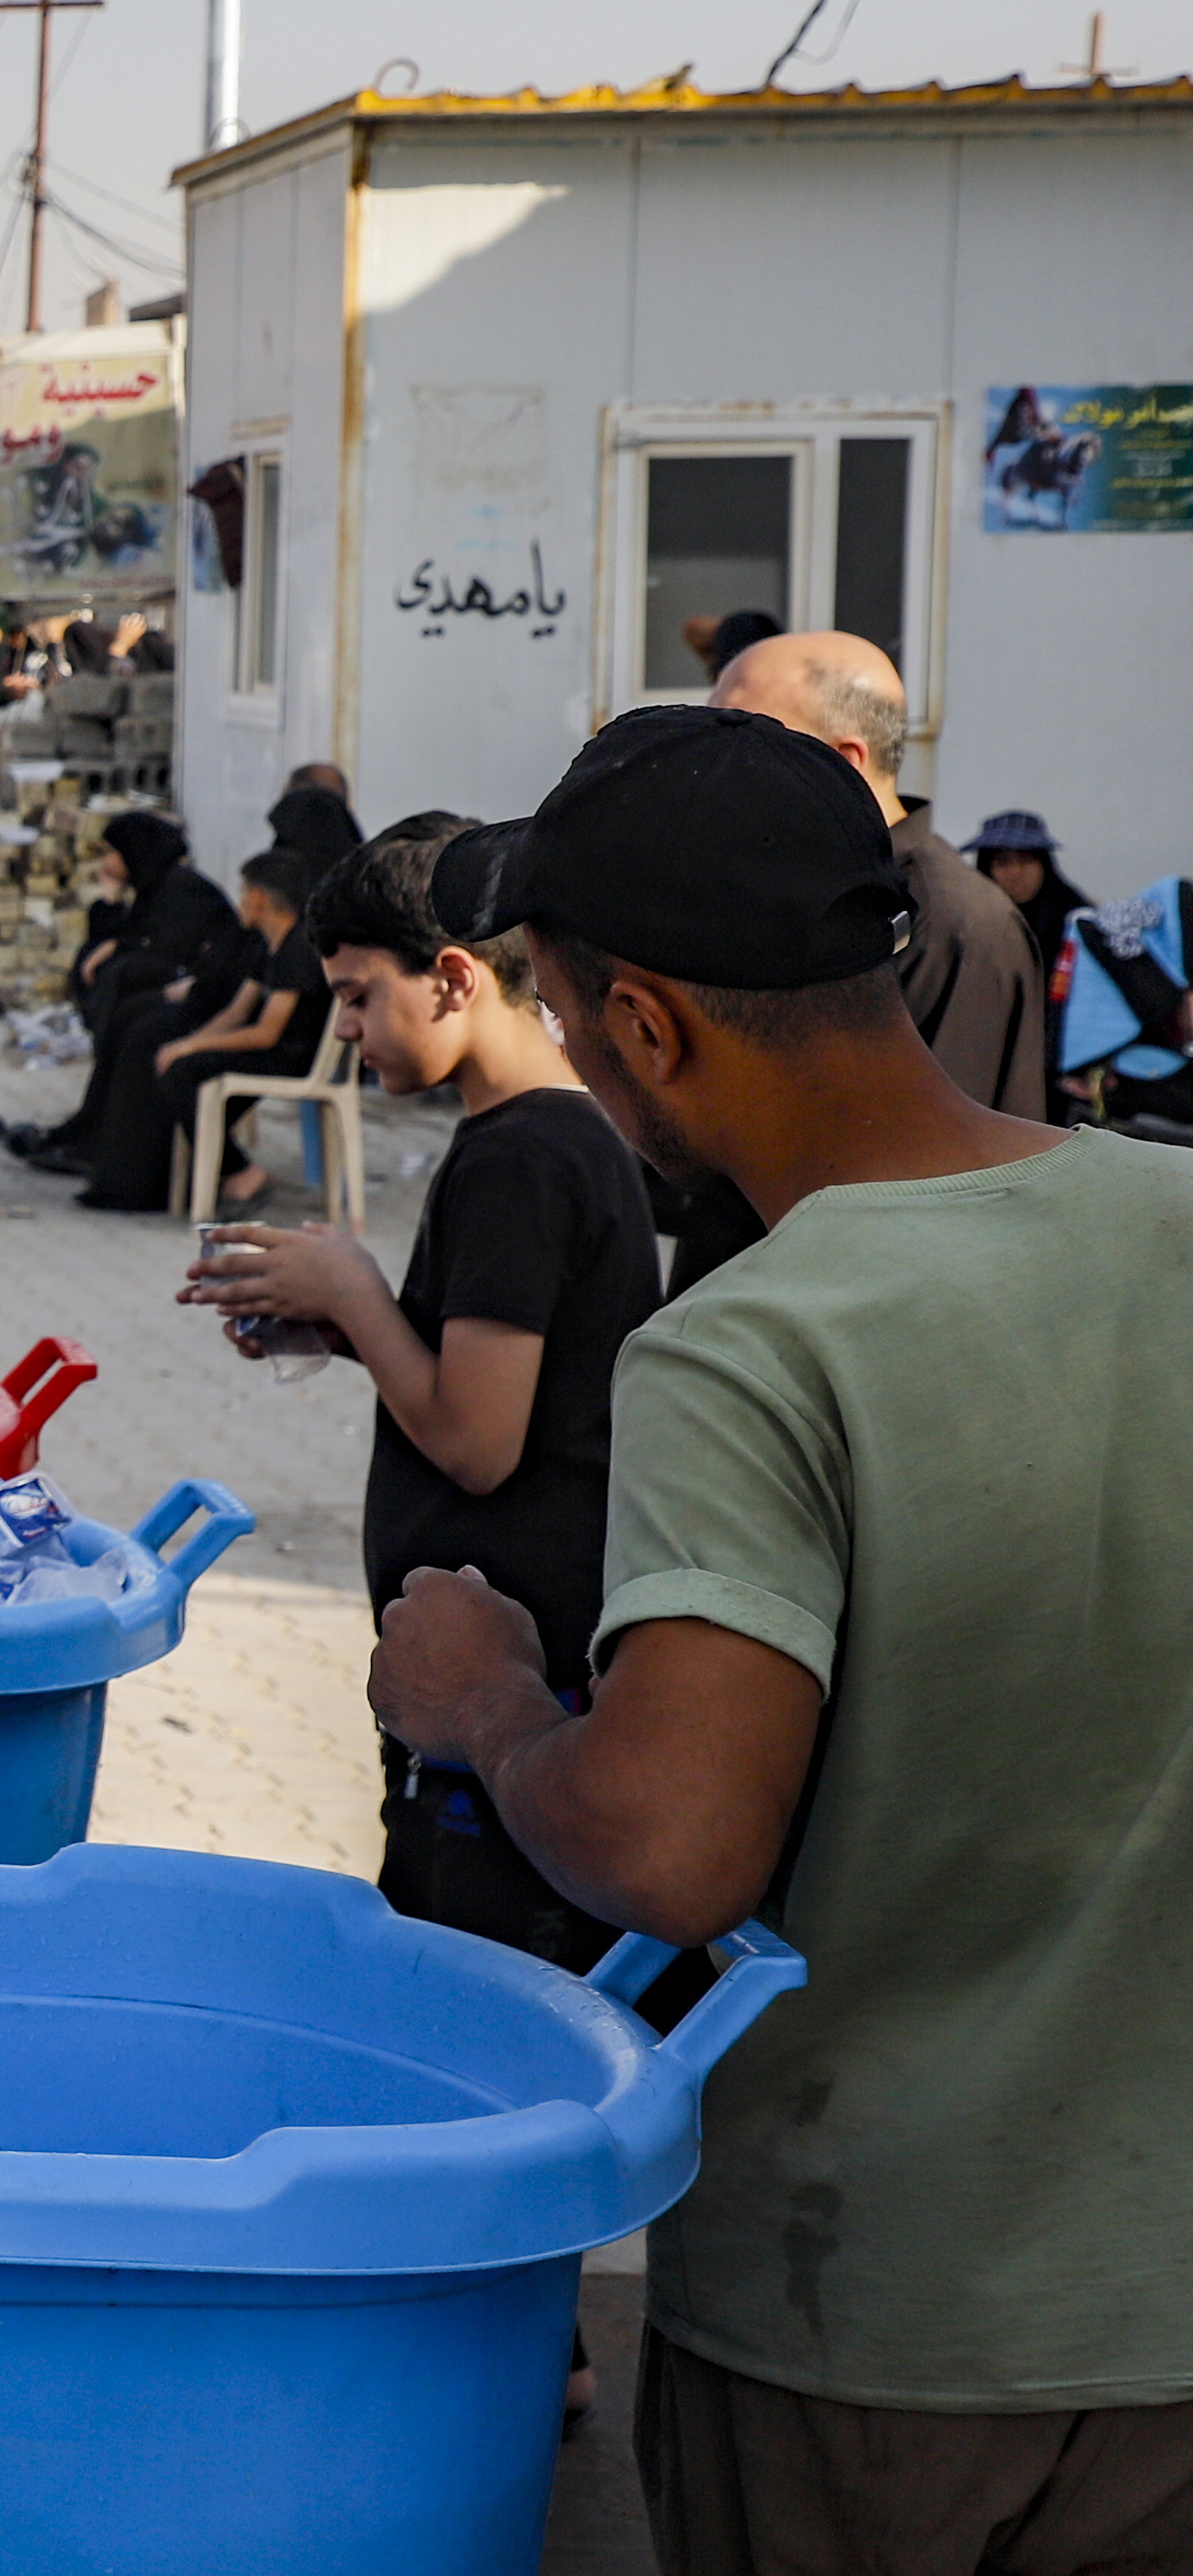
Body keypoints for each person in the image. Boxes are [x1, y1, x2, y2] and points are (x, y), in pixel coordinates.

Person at [366, 705, 1193, 2576]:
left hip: (881, 2330)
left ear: (643, 1024)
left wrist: (488, 1705)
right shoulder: (1176, 1210)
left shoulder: (756, 1342)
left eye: (571, 1026)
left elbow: (669, 1842)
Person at [193, 814, 656, 1975]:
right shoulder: (540, 1138)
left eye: (357, 997)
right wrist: (350, 1330)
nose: (345, 1031)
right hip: (497, 1678)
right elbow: (492, 1380)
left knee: (476, 1982)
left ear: (453, 978)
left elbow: (478, 1443)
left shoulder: (523, 1159)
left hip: (510, 1688)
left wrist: (354, 1292)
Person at [680, 629, 1049, 1286]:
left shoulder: (960, 927)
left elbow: (937, 1196)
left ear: (844, 764)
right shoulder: (772, 899)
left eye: (741, 740)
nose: (709, 770)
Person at [75, 844, 329, 1216]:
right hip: (267, 1047)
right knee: (177, 1064)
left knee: (185, 1076)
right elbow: (236, 1013)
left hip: (292, 1055)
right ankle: (204, 1169)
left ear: (259, 898)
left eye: (243, 893)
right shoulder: (267, 947)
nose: (239, 902)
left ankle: (241, 1172)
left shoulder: (298, 950)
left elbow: (266, 1033)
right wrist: (189, 1043)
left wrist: (193, 1051)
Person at [6, 810, 247, 1177]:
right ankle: (98, 1130)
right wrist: (110, 906)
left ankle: (111, 1142)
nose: (105, 862)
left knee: (128, 997)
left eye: (111, 853)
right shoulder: (154, 889)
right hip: (168, 1001)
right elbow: (129, 942)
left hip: (203, 1006)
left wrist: (118, 947)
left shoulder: (182, 889)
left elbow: (169, 955)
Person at [961, 806, 1085, 981]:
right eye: (1003, 863)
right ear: (986, 869)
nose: (1015, 873)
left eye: (1027, 861)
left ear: (1045, 867)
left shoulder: (1075, 922)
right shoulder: (966, 923)